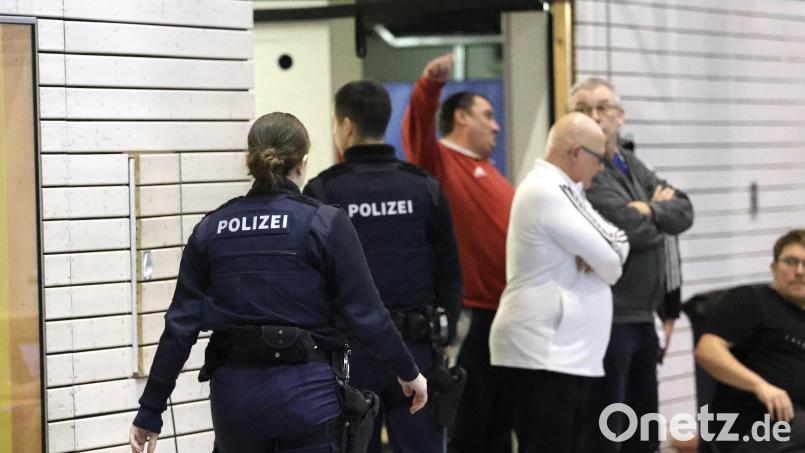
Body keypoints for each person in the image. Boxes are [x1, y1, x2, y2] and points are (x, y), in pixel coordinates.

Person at [128, 112, 428, 453]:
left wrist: (150, 411)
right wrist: (408, 372)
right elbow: (368, 315)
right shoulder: (324, 223)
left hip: (234, 403)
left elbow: (179, 329)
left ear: (251, 160)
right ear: (301, 163)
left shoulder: (212, 228)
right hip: (307, 397)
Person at [303, 80, 462, 453]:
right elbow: (451, 275)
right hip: (417, 349)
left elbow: (312, 283)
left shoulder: (324, 192)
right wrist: (444, 336)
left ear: (346, 125)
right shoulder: (423, 187)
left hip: (350, 356)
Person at [490, 113, 630, 453]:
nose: (601, 169)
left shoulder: (570, 192)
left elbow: (619, 243)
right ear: (576, 152)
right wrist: (601, 260)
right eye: (599, 159)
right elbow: (612, 258)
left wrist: (600, 257)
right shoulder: (547, 189)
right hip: (542, 354)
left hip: (563, 355)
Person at [568, 77, 695, 453]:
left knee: (644, 433)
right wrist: (658, 215)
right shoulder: (583, 170)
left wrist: (647, 212)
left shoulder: (627, 160)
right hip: (608, 320)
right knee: (608, 432)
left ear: (619, 116)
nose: (595, 117)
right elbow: (622, 229)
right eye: (583, 109)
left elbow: (684, 211)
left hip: (642, 318)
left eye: (602, 108)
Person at [402, 52, 515, 453]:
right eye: (487, 115)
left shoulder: (491, 170)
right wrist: (430, 86)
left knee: (500, 422)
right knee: (469, 421)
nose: (496, 124)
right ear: (461, 118)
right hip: (469, 313)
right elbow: (417, 128)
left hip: (504, 313)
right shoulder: (440, 163)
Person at [695, 229, 805, 453]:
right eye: (790, 262)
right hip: (753, 425)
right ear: (774, 268)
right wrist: (760, 386)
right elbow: (707, 350)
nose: (799, 271)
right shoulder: (753, 300)